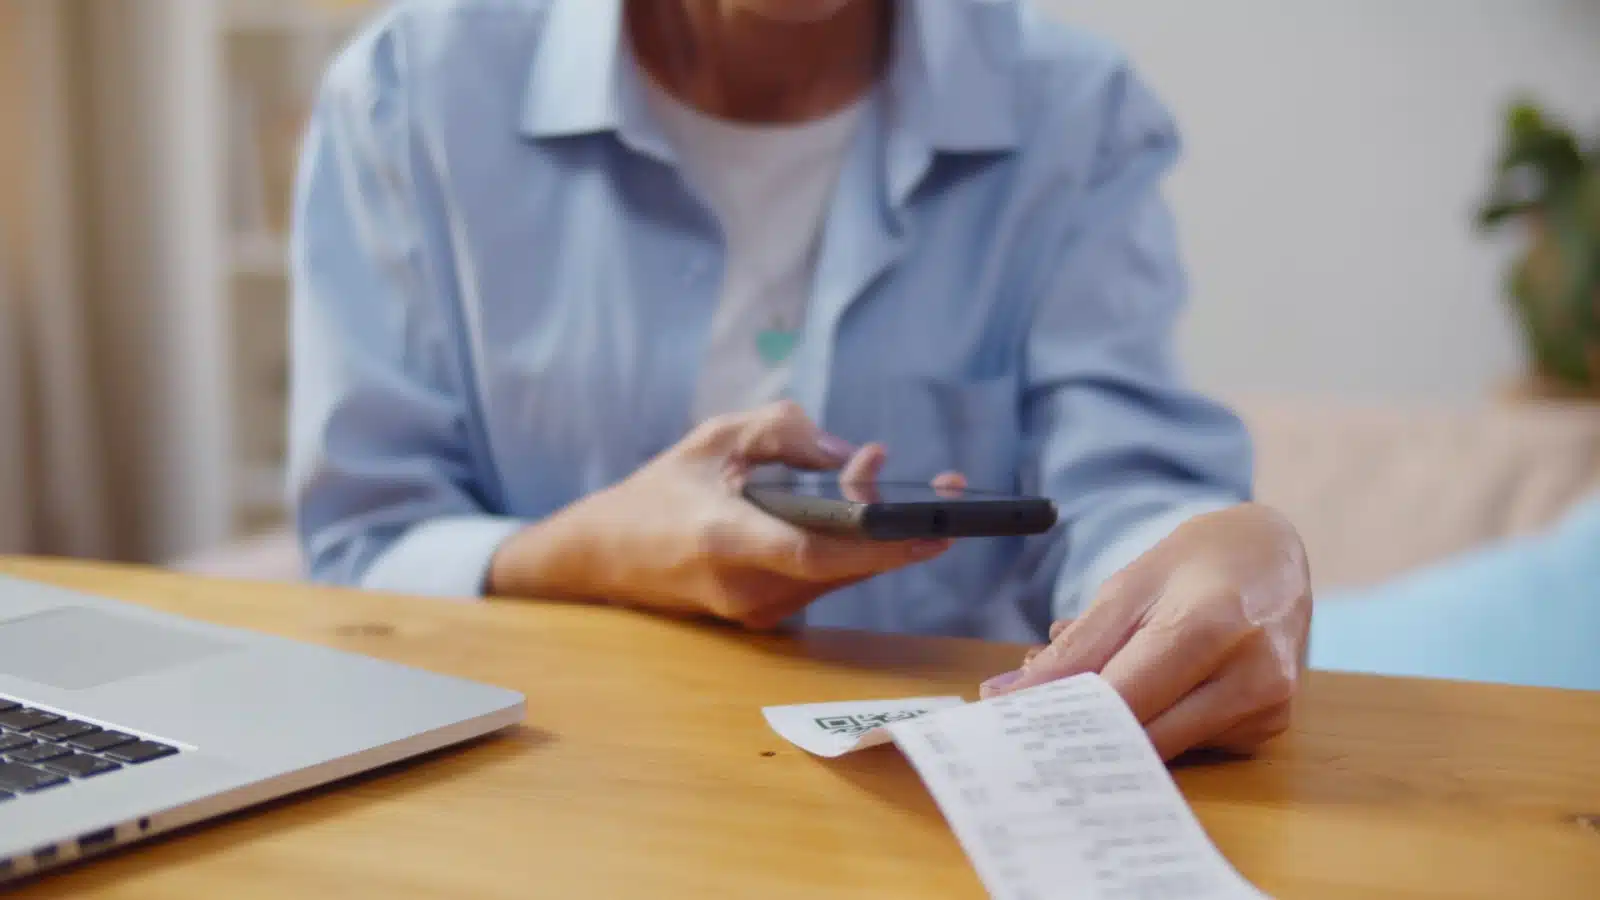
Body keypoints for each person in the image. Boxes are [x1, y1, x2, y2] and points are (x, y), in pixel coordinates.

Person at [289, 0, 1312, 762]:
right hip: (546, 790)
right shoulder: (409, 92)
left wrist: (1202, 551)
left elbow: (1119, 490)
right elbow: (362, 549)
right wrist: (584, 552)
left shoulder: (1074, 110)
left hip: (938, 804)